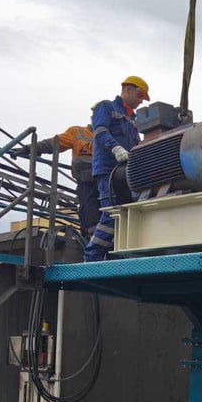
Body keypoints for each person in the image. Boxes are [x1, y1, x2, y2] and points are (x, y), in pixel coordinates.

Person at [83, 75, 150, 262]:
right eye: (139, 96)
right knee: (112, 214)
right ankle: (92, 257)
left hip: (126, 172)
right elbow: (100, 131)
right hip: (108, 170)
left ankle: (109, 258)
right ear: (127, 90)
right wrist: (116, 148)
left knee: (127, 214)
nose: (140, 101)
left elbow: (135, 144)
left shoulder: (132, 119)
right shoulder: (106, 107)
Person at [14, 125, 99, 238]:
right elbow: (54, 143)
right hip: (86, 183)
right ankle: (92, 236)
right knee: (90, 212)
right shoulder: (78, 132)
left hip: (106, 183)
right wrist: (30, 148)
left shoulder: (113, 136)